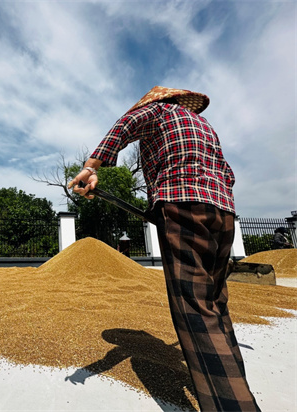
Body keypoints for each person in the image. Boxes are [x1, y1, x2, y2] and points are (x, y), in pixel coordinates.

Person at [69, 86, 260, 411]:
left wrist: (91, 167)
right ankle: (237, 386)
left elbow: (123, 126)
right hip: (223, 213)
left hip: (183, 207)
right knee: (215, 303)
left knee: (195, 309)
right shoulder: (205, 127)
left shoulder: (157, 112)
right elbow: (228, 174)